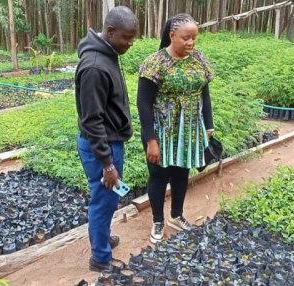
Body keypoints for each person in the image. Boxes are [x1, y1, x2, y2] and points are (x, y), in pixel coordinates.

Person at [136, 13, 215, 244]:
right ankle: (158, 220)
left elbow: (204, 93)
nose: (191, 43)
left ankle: (177, 216)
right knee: (159, 175)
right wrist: (151, 140)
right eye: (185, 38)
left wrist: (208, 125)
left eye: (194, 38)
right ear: (172, 36)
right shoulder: (155, 63)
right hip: (161, 130)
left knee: (182, 172)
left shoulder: (198, 59)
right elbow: (143, 104)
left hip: (189, 129)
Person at [74, 6, 139, 272]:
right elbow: (92, 121)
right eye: (127, 37)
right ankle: (99, 257)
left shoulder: (108, 53)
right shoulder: (95, 67)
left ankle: (102, 238)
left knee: (108, 198)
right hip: (101, 146)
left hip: (109, 142)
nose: (130, 43)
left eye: (133, 37)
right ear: (110, 32)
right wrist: (108, 164)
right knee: (103, 200)